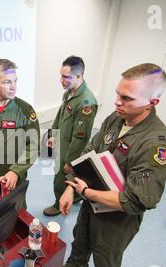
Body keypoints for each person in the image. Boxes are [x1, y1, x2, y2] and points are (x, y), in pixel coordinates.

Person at [59, 63, 166, 267]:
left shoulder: (157, 145)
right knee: (80, 235)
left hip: (118, 216)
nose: (116, 101)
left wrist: (88, 192)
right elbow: (90, 153)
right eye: (117, 93)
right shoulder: (117, 118)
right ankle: (77, 265)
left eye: (126, 98)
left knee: (107, 255)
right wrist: (70, 188)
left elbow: (137, 200)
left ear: (151, 103)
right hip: (91, 199)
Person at [0, 59, 40, 209]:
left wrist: (15, 171)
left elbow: (34, 145)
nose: (13, 87)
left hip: (15, 174)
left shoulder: (25, 110)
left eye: (15, 81)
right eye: (7, 82)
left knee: (16, 212)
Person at [43, 55, 98, 216]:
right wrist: (52, 134)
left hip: (70, 149)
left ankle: (58, 204)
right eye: (61, 75)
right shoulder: (69, 92)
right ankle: (75, 196)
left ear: (79, 76)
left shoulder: (86, 103)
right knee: (60, 173)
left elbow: (81, 139)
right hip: (61, 141)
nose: (61, 80)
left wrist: (71, 162)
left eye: (66, 77)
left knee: (61, 178)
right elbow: (60, 115)